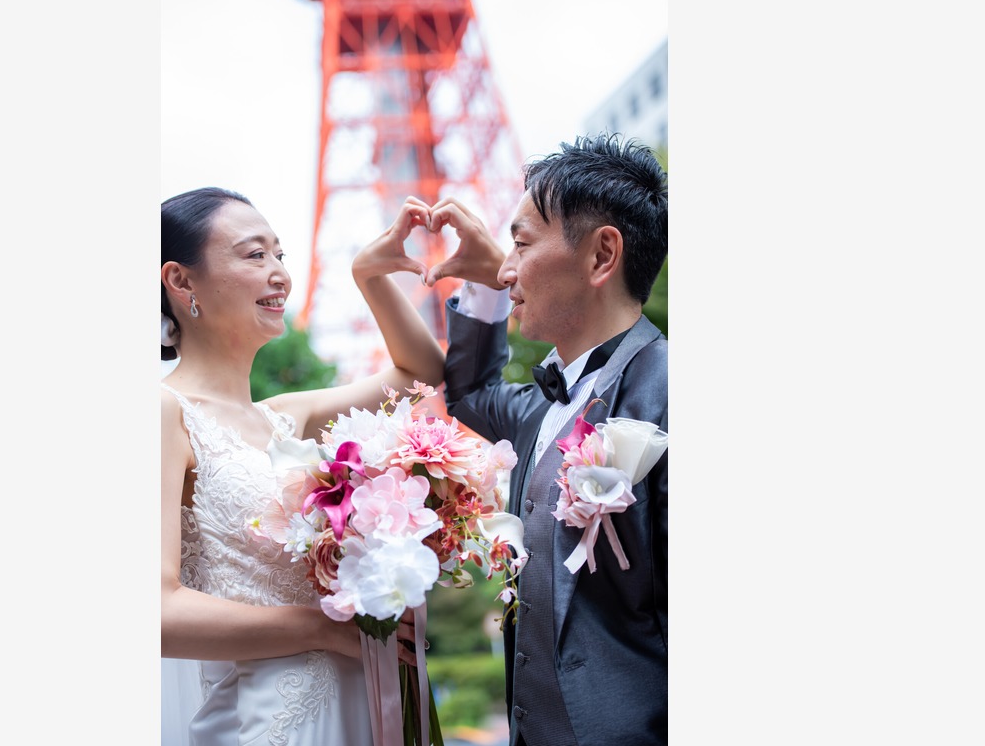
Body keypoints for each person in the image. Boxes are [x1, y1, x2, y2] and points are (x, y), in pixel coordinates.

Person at [160, 187, 445, 746]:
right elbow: (156, 610)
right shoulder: (164, 414)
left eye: (280, 256)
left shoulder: (287, 419)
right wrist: (324, 628)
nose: (279, 275)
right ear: (182, 281)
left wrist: (370, 276)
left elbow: (422, 371)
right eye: (253, 254)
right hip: (265, 719)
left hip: (357, 703)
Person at [422, 133, 669, 745]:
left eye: (522, 243)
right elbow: (469, 392)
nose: (508, 269)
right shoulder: (543, 405)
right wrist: (479, 280)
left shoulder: (670, 392)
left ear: (600, 255)